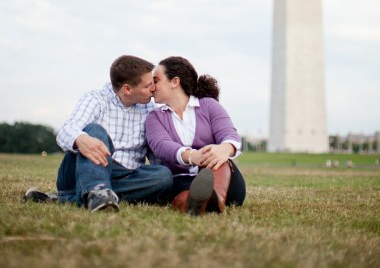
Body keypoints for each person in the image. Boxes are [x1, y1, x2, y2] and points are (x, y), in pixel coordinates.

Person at [24, 55, 173, 212]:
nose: (153, 89)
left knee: (163, 176)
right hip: (82, 171)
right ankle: (97, 191)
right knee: (94, 130)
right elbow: (65, 131)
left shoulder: (150, 110)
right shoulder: (96, 99)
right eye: (147, 86)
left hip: (127, 177)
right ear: (127, 89)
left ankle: (78, 197)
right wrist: (80, 139)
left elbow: (156, 155)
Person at [146, 56, 246, 215]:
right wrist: (192, 156)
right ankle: (197, 203)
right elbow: (161, 145)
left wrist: (224, 149)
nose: (151, 87)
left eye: (156, 80)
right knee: (180, 193)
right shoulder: (155, 117)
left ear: (174, 82)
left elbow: (229, 134)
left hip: (221, 177)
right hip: (180, 180)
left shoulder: (209, 105)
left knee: (217, 161)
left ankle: (214, 197)